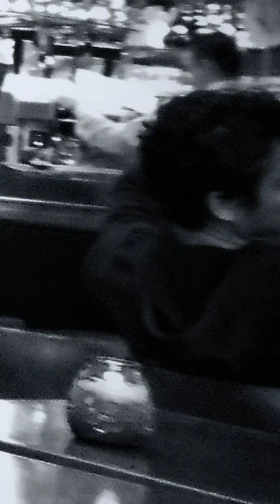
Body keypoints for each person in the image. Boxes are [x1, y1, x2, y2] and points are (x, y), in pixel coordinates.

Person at [83, 86, 280, 383]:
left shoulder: (121, 258)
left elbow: (133, 196)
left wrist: (173, 143)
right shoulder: (269, 283)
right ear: (225, 204)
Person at [76, 29, 244, 163]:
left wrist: (81, 108)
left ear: (206, 66)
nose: (185, 77)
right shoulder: (255, 103)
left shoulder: (190, 109)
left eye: (188, 69)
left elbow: (122, 140)